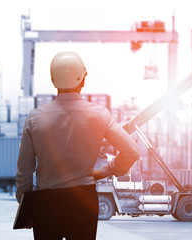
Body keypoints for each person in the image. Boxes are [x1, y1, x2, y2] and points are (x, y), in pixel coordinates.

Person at [16, 51, 139, 239]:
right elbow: (131, 151)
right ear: (82, 79)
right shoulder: (99, 114)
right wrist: (106, 171)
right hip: (83, 201)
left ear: (53, 80)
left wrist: (26, 206)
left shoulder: (35, 118)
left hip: (46, 203)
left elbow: (24, 171)